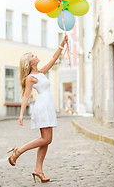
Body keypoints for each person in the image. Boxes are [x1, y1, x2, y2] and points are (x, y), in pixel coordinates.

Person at [7, 34, 68, 183]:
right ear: (30, 62)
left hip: (47, 106)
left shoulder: (41, 72)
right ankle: (18, 151)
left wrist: (62, 43)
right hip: (41, 106)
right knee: (46, 139)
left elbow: (54, 58)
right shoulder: (30, 78)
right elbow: (26, 96)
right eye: (32, 56)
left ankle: (38, 170)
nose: (35, 55)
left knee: (46, 141)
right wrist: (21, 114)